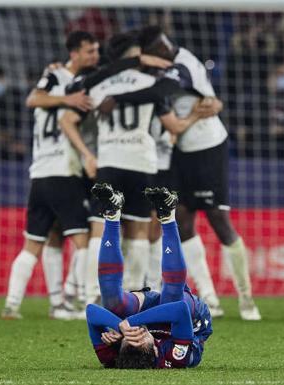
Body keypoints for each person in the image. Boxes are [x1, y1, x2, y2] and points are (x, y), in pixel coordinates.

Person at [59, 32, 207, 302]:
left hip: (109, 160)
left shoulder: (99, 85)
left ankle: (91, 295)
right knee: (139, 230)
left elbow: (71, 101)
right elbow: (169, 118)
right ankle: (133, 294)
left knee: (99, 227)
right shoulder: (152, 81)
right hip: (140, 161)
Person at [134, 26, 260, 320]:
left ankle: (247, 299)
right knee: (183, 219)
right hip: (179, 152)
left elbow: (162, 90)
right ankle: (209, 297)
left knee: (219, 219)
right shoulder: (162, 67)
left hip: (207, 146)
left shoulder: (183, 63)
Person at [1, 31, 100, 320]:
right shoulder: (63, 82)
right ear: (75, 53)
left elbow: (37, 99)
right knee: (83, 240)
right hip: (63, 171)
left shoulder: (56, 82)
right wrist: (69, 98)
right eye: (90, 51)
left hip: (40, 173)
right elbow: (32, 99)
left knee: (41, 240)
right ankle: (81, 300)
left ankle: (15, 304)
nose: (94, 56)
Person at [86, 183, 212, 369]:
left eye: (131, 335)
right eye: (140, 335)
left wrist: (119, 326)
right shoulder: (176, 357)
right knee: (171, 300)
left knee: (112, 303)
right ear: (155, 350)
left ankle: (112, 214)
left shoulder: (110, 357)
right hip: (190, 318)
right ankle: (168, 215)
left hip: (154, 313)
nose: (136, 331)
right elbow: (179, 311)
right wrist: (129, 322)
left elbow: (91, 311)